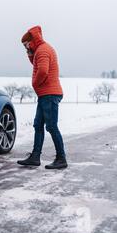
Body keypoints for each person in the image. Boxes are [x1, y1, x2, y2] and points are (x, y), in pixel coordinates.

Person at [17, 26, 67, 169]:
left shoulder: (43, 50)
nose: (25, 47)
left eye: (26, 44)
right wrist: (30, 53)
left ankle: (61, 158)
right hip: (46, 94)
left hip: (49, 94)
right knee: (38, 125)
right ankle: (35, 157)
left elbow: (43, 71)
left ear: (31, 40)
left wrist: (34, 83)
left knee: (51, 126)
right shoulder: (40, 50)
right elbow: (37, 64)